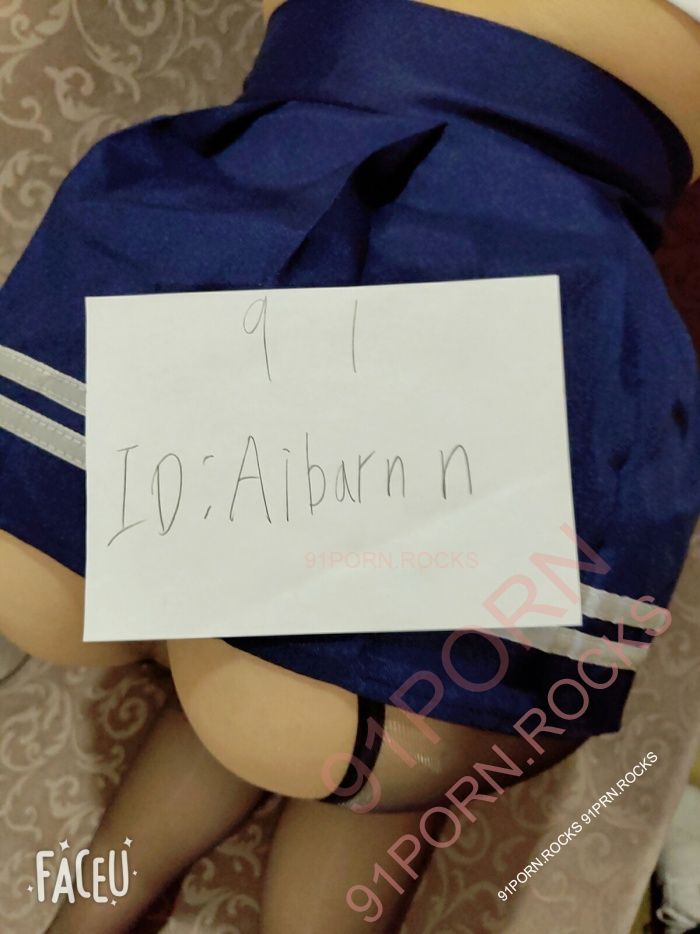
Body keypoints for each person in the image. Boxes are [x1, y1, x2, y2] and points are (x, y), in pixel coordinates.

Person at [0, 0, 698, 931]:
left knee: (279, 685)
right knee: (325, 710)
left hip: (257, 196)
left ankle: (88, 915)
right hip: (502, 256)